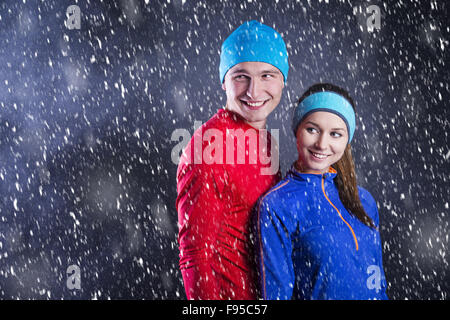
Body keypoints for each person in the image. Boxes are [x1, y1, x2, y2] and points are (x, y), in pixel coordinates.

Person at [176, 21, 289, 299]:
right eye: (241, 76)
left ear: (283, 80)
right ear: (223, 81)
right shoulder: (208, 147)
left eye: (267, 75)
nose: (254, 91)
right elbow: (195, 258)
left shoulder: (264, 139)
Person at [256, 83, 388, 300]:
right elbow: (276, 293)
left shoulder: (364, 200)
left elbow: (378, 282)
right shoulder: (277, 204)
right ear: (297, 129)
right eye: (312, 130)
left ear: (347, 140)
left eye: (336, 134)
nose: (322, 143)